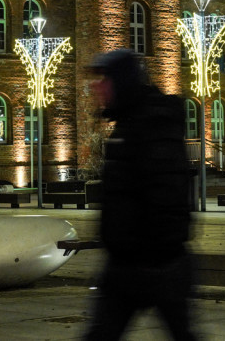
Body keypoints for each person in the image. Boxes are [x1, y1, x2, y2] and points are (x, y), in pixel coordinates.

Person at [84, 49, 196, 340]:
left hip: (154, 266)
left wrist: (149, 255)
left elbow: (167, 196)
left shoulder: (151, 125)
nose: (96, 87)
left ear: (121, 81)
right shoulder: (129, 123)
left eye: (103, 79)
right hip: (128, 264)